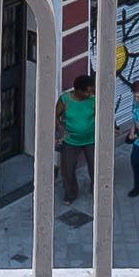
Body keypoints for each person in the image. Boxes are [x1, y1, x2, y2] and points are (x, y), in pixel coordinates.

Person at [55, 71, 100, 203]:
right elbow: (55, 115)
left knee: (95, 167)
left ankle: (96, 189)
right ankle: (70, 194)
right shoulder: (65, 99)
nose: (90, 94)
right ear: (78, 91)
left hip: (91, 140)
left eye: (92, 91)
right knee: (68, 170)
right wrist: (60, 128)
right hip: (70, 141)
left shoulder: (93, 99)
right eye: (87, 92)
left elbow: (102, 113)